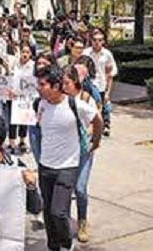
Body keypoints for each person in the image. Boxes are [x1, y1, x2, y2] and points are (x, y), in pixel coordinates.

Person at [36, 66, 103, 251]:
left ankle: (66, 244)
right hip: (45, 166)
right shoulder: (41, 104)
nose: (38, 88)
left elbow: (98, 120)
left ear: (56, 86)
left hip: (67, 167)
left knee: (58, 212)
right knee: (48, 213)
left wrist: (96, 141)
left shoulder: (75, 105)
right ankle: (53, 246)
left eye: (42, 84)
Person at [62, 65, 100, 243]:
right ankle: (68, 222)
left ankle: (82, 220)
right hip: (67, 151)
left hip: (84, 150)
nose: (64, 85)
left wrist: (91, 137)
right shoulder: (59, 99)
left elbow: (95, 120)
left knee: (80, 188)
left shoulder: (86, 98)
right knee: (67, 188)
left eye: (67, 82)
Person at [82, 30, 117, 136]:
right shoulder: (86, 53)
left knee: (105, 102)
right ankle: (95, 125)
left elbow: (112, 72)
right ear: (91, 41)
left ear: (103, 41)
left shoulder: (107, 54)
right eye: (94, 40)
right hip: (90, 82)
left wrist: (108, 90)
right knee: (97, 101)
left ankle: (105, 124)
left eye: (100, 40)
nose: (97, 42)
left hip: (103, 82)